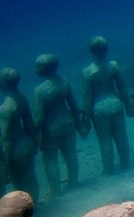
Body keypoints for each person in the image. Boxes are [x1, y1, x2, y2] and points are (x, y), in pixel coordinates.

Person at [33, 54, 87, 195]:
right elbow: (73, 104)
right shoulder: (64, 81)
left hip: (50, 130)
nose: (35, 68)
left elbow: (39, 118)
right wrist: (79, 125)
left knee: (50, 160)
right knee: (70, 156)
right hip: (68, 124)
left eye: (38, 65)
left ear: (44, 69)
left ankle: (56, 191)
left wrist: (33, 132)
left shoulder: (40, 91)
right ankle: (74, 183)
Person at [81, 36, 134, 175]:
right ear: (106, 49)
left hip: (99, 109)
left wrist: (85, 119)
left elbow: (87, 97)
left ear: (91, 51)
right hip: (116, 104)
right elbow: (122, 89)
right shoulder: (114, 65)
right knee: (121, 137)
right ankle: (125, 165)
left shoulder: (88, 72)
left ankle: (109, 170)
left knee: (105, 141)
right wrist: (128, 106)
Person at [0, 67, 40, 198]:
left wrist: (5, 163)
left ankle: (27, 209)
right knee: (31, 177)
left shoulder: (5, 108)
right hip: (27, 143)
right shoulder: (22, 98)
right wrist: (35, 142)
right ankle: (35, 204)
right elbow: (29, 124)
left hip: (16, 149)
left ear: (2, 83)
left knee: (19, 182)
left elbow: (5, 137)